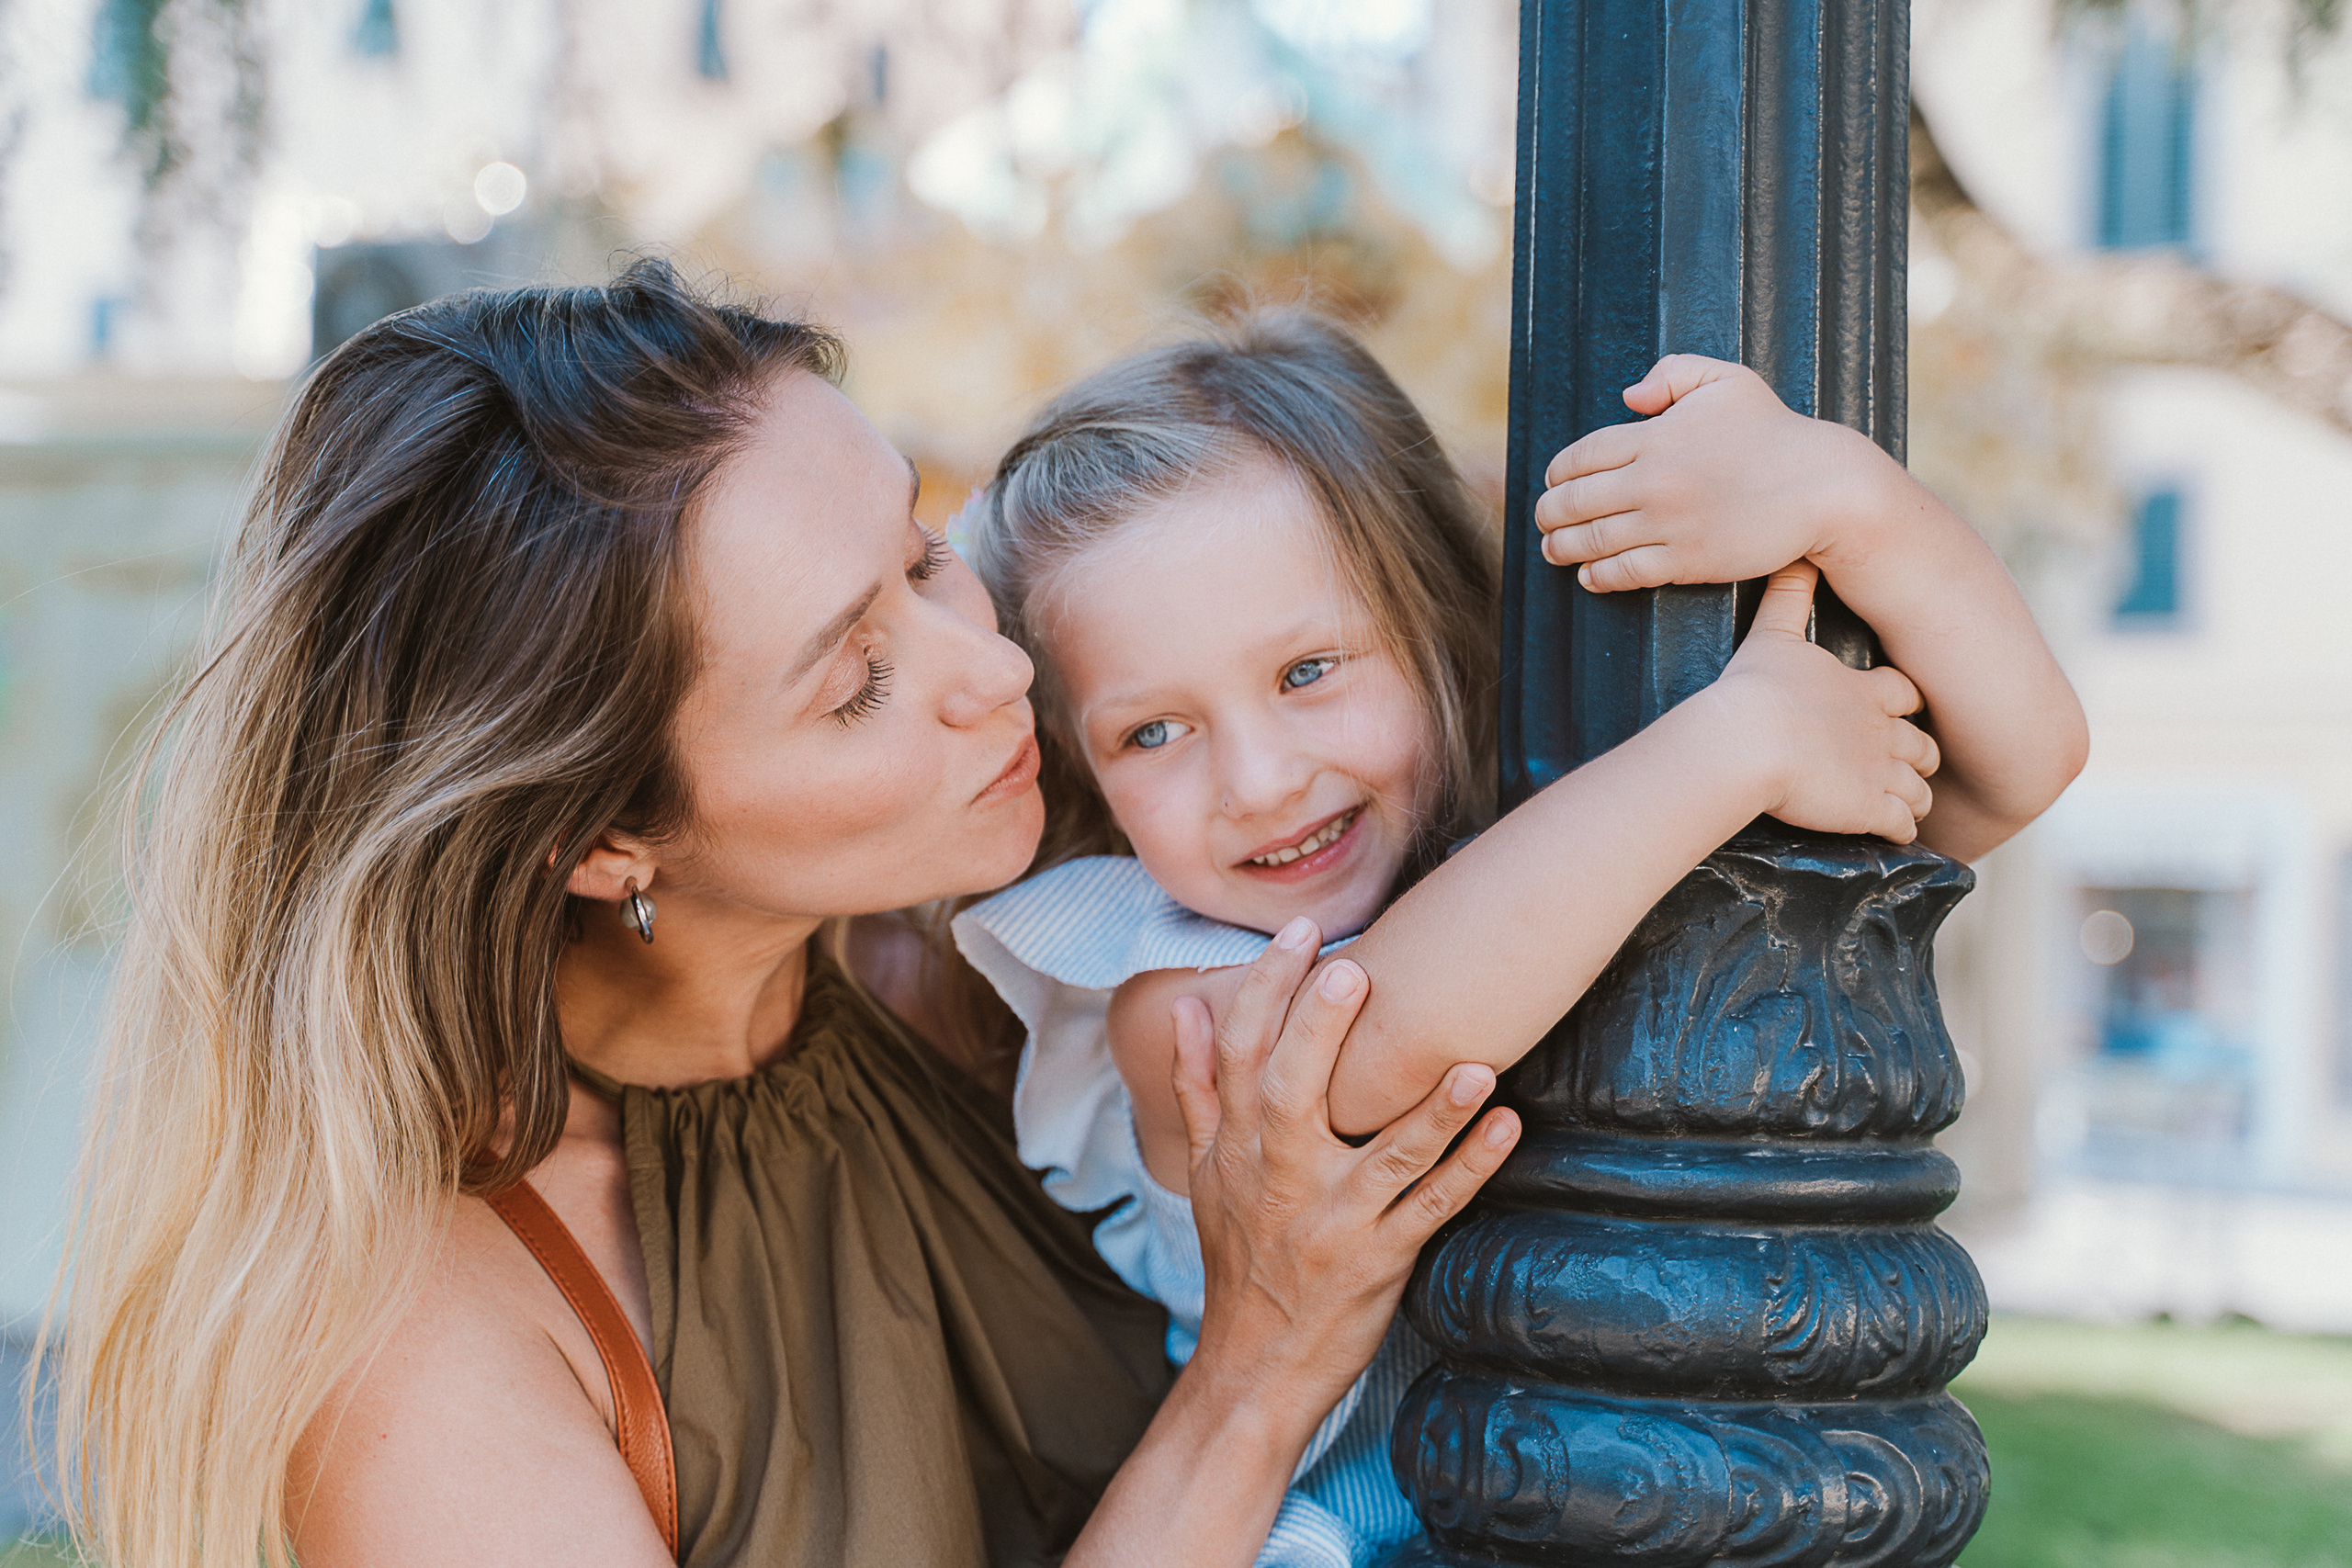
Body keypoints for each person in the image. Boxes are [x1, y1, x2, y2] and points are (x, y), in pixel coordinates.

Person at [40, 263, 1522, 1568]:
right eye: (856, 680)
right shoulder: (424, 1355)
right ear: (604, 834)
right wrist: (1258, 1384)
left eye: (926, 553)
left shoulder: (999, 958)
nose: (990, 672)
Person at [952, 312, 2089, 1565]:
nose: (1261, 780)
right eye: (1153, 734)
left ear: (1439, 620)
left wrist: (1853, 510)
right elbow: (1360, 1058)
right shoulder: (1156, 978)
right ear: (1082, 770)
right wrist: (1732, 743)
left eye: (1308, 671)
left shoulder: (1579, 834)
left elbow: (2006, 769)